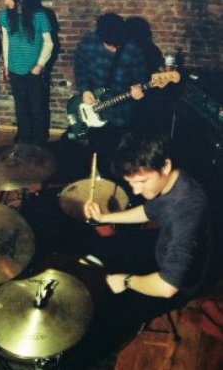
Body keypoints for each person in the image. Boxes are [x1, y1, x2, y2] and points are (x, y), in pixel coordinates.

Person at [63, 132, 210, 367]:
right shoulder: (175, 179)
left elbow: (167, 287)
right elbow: (150, 211)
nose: (136, 191)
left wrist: (126, 281)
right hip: (161, 246)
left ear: (165, 166)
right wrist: (105, 217)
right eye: (131, 183)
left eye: (141, 182)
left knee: (108, 324)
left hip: (181, 282)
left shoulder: (187, 210)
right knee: (101, 248)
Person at [73, 12, 148, 175]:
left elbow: (141, 79)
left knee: (117, 156)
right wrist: (85, 90)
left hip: (120, 112)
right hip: (93, 107)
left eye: (117, 45)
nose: (114, 48)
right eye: (110, 45)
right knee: (95, 150)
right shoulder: (87, 42)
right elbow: (79, 68)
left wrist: (139, 93)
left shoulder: (133, 49)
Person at [0, 0, 54, 145]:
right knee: (20, 106)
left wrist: (40, 65)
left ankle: (39, 140)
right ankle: (24, 137)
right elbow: (6, 41)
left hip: (34, 69)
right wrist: (6, 66)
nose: (5, 1)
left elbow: (49, 43)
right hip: (15, 68)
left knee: (37, 107)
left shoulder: (39, 16)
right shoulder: (4, 16)